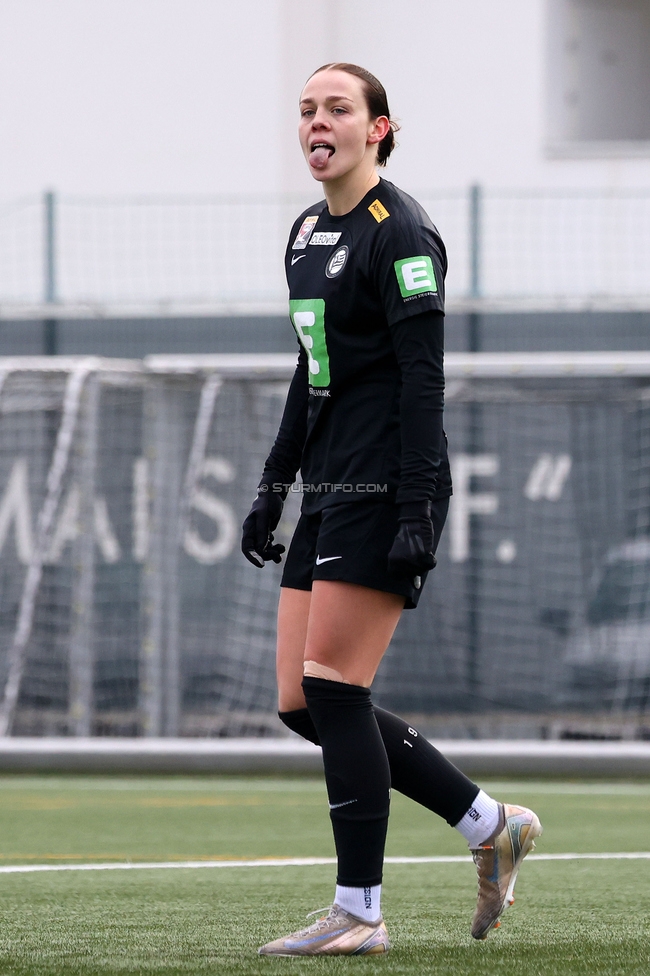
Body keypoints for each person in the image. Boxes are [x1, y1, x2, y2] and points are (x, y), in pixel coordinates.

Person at [241, 62, 542, 958]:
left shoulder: (401, 230)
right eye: (306, 110)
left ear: (379, 128)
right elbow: (312, 368)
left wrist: (418, 504)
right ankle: (490, 823)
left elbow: (423, 379)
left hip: (385, 486)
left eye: (337, 109)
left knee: (337, 687)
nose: (316, 123)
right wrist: (272, 485)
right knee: (301, 701)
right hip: (330, 485)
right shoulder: (303, 232)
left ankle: (360, 911)